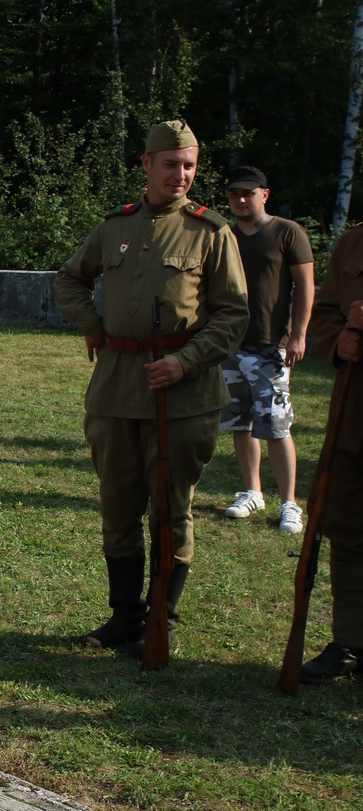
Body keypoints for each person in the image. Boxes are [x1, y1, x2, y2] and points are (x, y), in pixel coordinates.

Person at [55, 121, 248, 658]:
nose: (180, 175)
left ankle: (163, 615)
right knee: (118, 506)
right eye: (170, 164)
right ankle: (125, 616)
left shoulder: (211, 232)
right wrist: (92, 323)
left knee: (170, 508)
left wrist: (185, 362)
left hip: (183, 397)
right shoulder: (114, 226)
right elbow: (70, 278)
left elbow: (233, 314)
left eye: (189, 166)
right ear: (147, 164)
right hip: (116, 389)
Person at [219, 166, 315, 532]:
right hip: (230, 343)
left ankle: (289, 503)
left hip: (270, 346)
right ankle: (252, 492)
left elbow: (305, 286)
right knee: (239, 423)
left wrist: (299, 335)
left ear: (265, 194)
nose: (241, 200)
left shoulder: (288, 232)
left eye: (248, 193)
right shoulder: (225, 235)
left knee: (276, 425)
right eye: (234, 194)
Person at [302, 228, 363, 683]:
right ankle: (350, 642)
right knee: (347, 526)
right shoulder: (354, 242)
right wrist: (339, 339)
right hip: (354, 416)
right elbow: (324, 311)